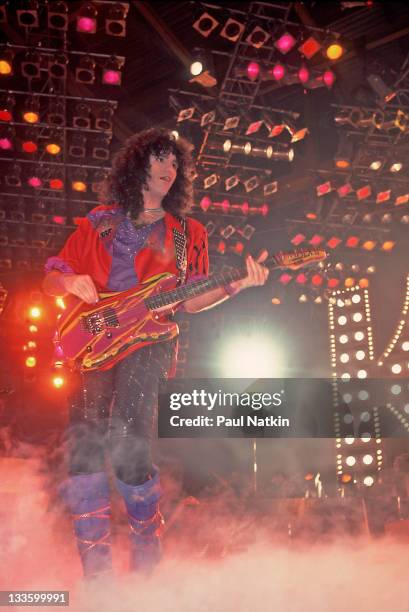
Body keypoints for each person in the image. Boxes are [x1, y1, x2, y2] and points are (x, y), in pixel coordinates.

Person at [42, 127, 269, 579]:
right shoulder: (98, 221)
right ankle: (96, 573)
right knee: (84, 443)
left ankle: (147, 543)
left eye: (175, 163)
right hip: (94, 338)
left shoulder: (188, 233)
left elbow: (189, 298)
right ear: (138, 165)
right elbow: (51, 275)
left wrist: (236, 285)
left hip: (150, 339)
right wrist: (69, 282)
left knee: (128, 434)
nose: (170, 169)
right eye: (161, 159)